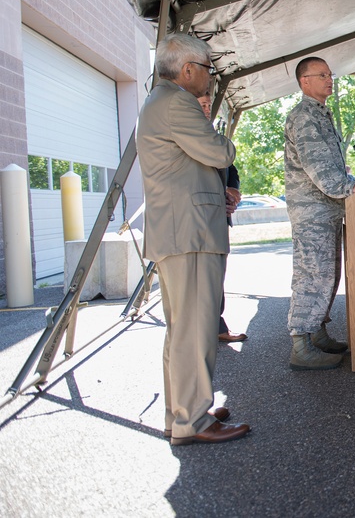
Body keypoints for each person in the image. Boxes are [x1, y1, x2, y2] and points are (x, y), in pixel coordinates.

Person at [136, 33, 250, 446]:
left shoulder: (159, 101)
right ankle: (193, 421)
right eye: (208, 69)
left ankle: (181, 413)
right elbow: (220, 153)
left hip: (179, 230)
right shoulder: (178, 103)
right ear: (188, 70)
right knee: (195, 332)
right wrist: (224, 139)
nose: (210, 78)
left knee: (182, 330)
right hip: (191, 232)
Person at [284, 57, 355, 371]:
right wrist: (350, 186)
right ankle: (301, 344)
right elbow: (319, 167)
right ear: (304, 81)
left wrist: (351, 183)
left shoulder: (319, 113)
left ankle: (317, 333)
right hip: (312, 213)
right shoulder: (304, 116)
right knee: (312, 275)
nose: (329, 79)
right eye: (321, 74)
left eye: (329, 74)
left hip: (327, 209)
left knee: (328, 275)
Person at [196, 94, 248, 343]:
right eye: (202, 104)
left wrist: (232, 189)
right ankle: (205, 330)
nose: (208, 109)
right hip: (198, 219)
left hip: (219, 218)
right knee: (202, 277)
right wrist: (218, 195)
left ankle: (216, 326)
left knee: (217, 275)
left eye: (209, 105)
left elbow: (231, 168)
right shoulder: (186, 135)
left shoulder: (213, 135)